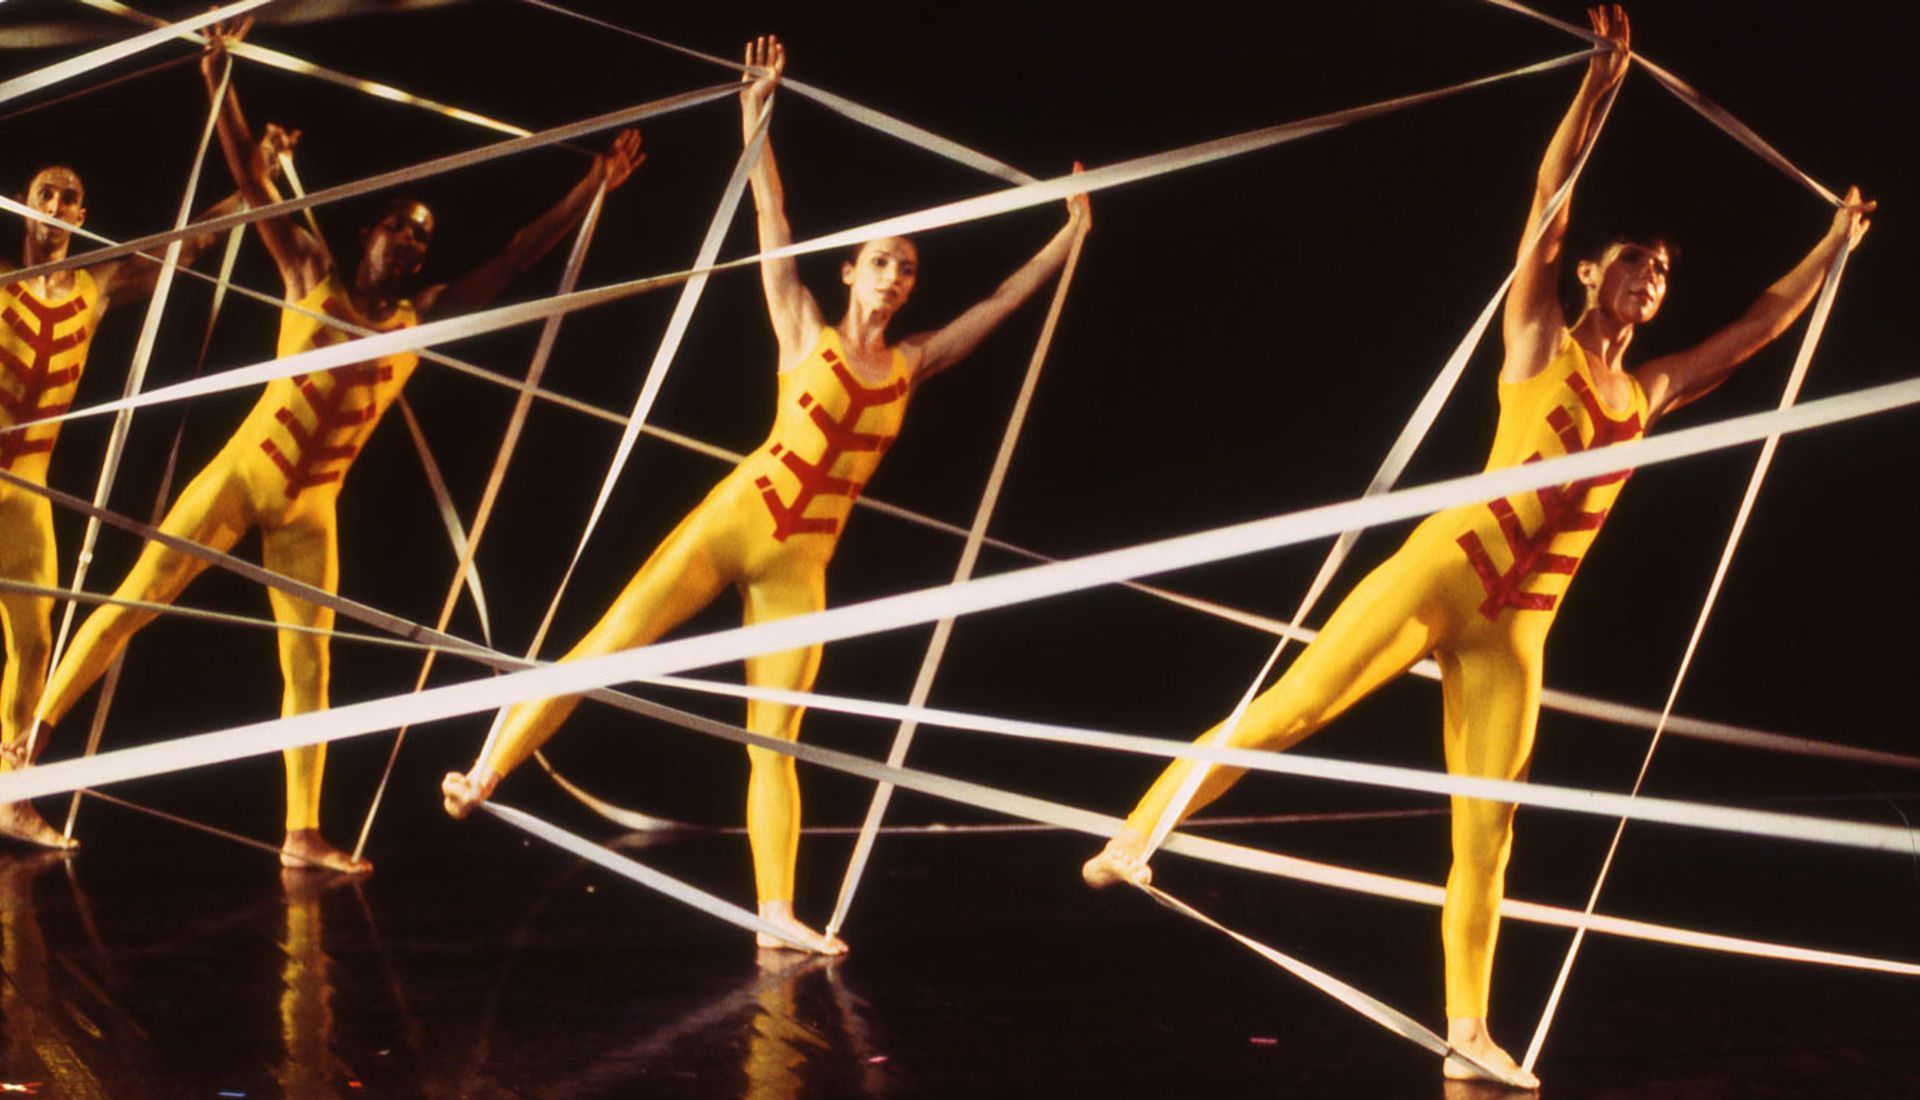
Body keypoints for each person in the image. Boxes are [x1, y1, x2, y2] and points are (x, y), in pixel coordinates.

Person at [1080, 6, 1872, 1087]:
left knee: (1486, 838)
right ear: (1597, 275)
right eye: (1631, 265)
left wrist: (1833, 243)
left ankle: (1469, 1027)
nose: (1647, 282)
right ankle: (1136, 832)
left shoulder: (1647, 389)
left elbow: (1755, 331)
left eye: (1660, 277)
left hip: (1519, 631)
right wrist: (1600, 85)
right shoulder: (1538, 334)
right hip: (1440, 573)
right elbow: (1545, 215)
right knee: (1291, 713)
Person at [441, 35, 1090, 954]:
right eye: (882, 262)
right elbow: (772, 217)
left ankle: (776, 914)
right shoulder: (803, 329)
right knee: (609, 645)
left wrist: (1070, 233)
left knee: (774, 741)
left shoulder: (912, 363)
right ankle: (486, 770)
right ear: (851, 271)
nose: (896, 277)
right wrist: (756, 110)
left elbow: (1001, 304)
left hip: (804, 568)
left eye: (907, 268)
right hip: (735, 518)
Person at [26, 20, 644, 875]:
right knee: (136, 598)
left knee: (309, 665)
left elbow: (513, 257)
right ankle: (28, 747)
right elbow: (250, 177)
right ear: (369, 233)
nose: (414, 242)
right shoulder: (310, 269)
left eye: (425, 235)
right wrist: (219, 78)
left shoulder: (420, 317)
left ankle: (301, 831)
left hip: (311, 510)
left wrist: (593, 188)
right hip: (245, 473)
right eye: (402, 226)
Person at [0, 160, 246, 848]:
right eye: (45, 191)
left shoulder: (95, 283)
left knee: (36, 640)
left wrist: (252, 182)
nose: (56, 202)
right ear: (23, 207)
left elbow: (185, 245)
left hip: (24, 488)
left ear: (81, 218)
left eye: (70, 196)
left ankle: (9, 792)